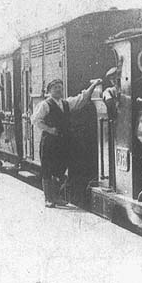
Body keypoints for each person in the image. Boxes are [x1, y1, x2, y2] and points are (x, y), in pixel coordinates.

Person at [31, 77, 102, 207]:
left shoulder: (66, 103)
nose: (58, 90)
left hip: (62, 142)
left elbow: (81, 98)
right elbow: (36, 120)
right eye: (55, 88)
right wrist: (49, 129)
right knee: (48, 170)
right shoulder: (45, 105)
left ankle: (56, 197)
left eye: (60, 87)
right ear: (49, 91)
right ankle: (48, 199)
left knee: (59, 169)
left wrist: (93, 86)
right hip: (49, 142)